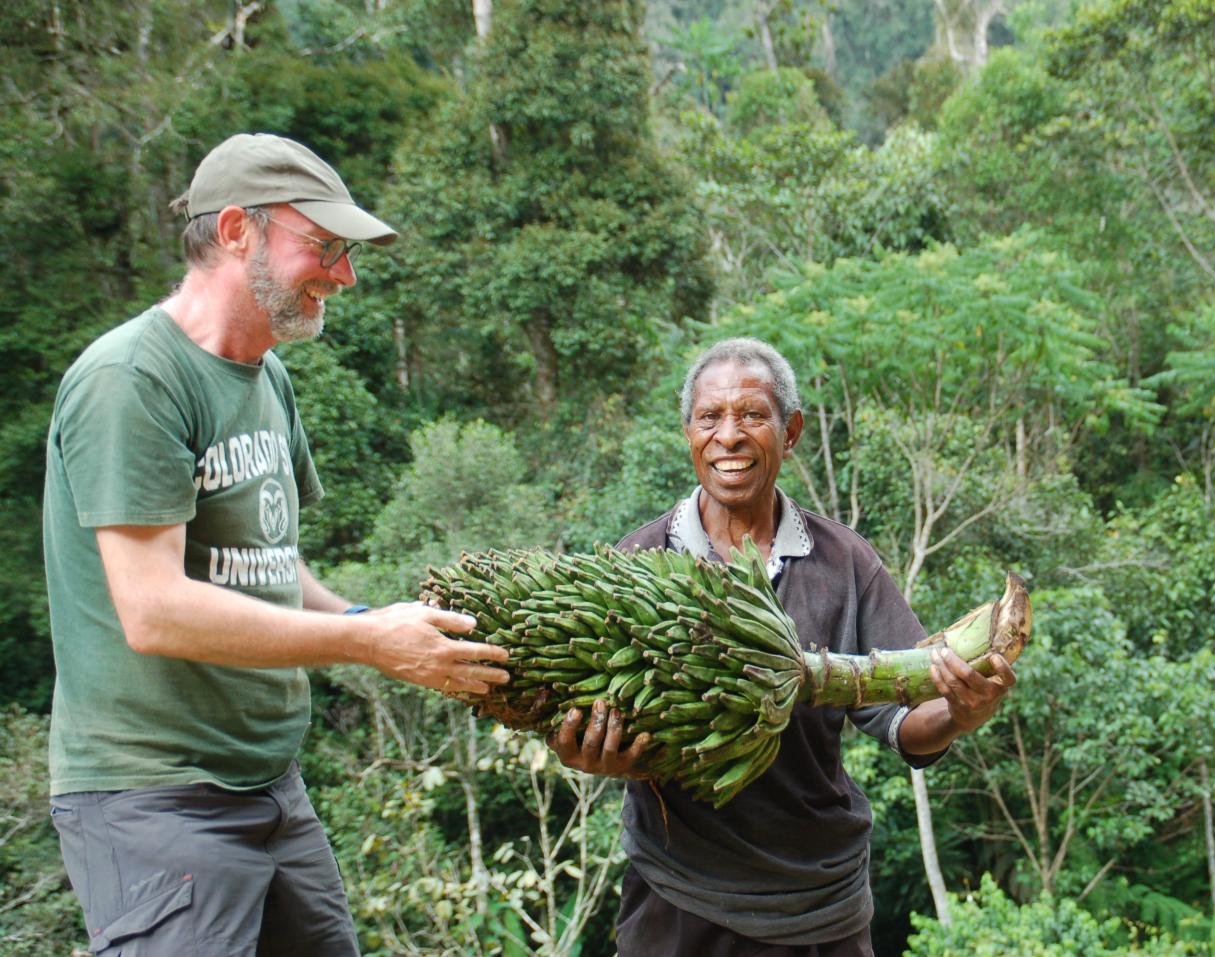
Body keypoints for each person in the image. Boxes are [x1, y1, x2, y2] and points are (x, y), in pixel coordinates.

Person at [42, 132, 508, 956]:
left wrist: (389, 622)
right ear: (235, 231)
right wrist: (367, 642)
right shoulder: (132, 380)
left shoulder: (267, 377)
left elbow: (268, 566)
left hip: (269, 786)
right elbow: (154, 611)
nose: (345, 273)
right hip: (155, 800)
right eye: (323, 247)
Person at [549, 337, 1017, 956]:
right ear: (688, 430)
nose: (729, 436)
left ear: (791, 431)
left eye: (752, 416)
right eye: (710, 417)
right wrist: (589, 753)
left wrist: (961, 712)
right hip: (679, 896)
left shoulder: (844, 561)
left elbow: (905, 722)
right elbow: (588, 717)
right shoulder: (638, 562)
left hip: (820, 899)